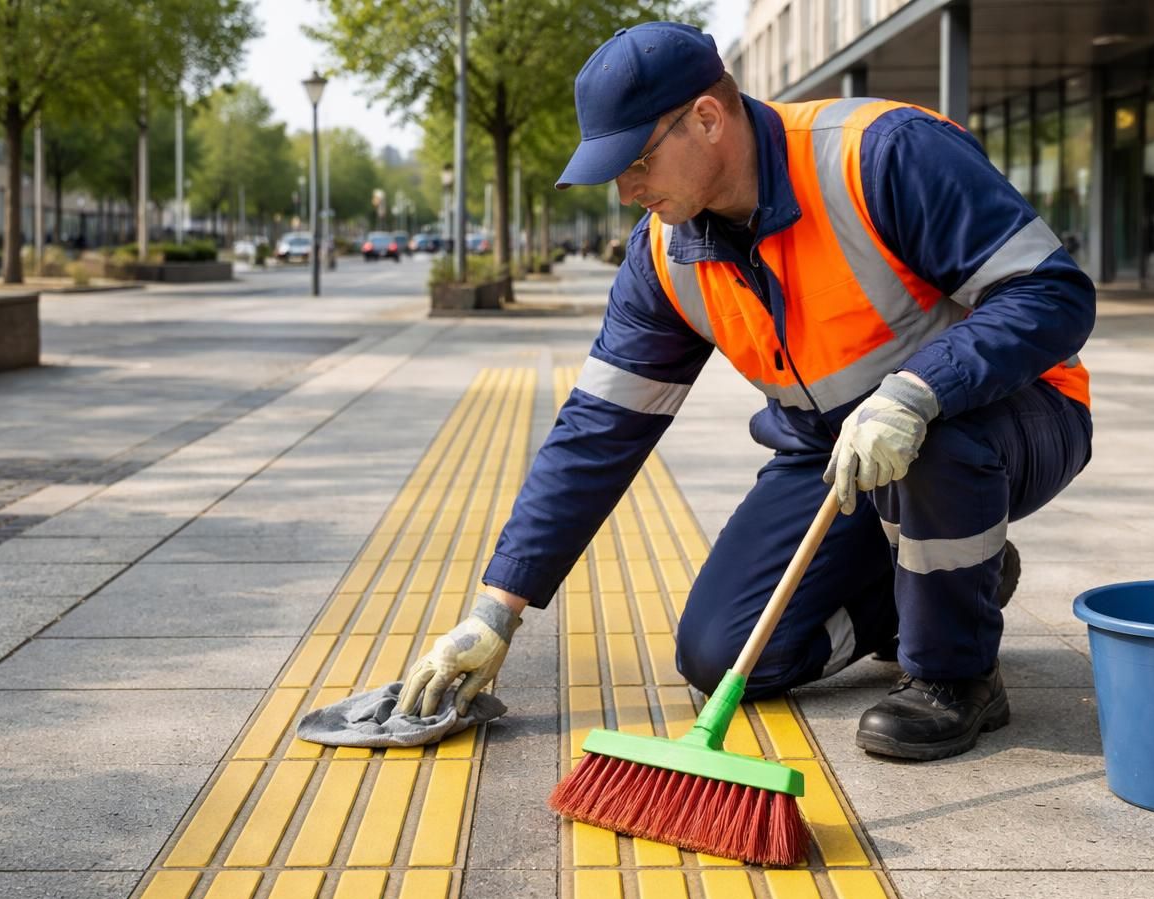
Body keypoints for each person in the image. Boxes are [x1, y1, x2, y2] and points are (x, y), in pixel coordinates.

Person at [398, 21, 1094, 762]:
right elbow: (599, 431)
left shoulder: (883, 152)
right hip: (830, 456)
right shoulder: (664, 256)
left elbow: (1052, 294)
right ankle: (933, 592)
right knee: (720, 654)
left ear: (706, 117)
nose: (628, 192)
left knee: (936, 451)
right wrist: (496, 611)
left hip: (1005, 416)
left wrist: (918, 390)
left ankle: (956, 675)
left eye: (636, 162)